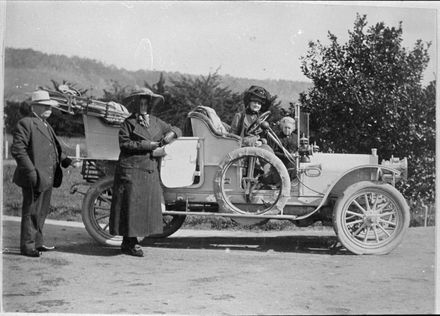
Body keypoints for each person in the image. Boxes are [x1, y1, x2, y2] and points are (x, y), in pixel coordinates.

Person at [109, 88, 182, 257]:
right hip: (131, 168)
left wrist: (169, 136)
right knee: (131, 208)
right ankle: (129, 243)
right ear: (136, 104)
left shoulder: (156, 122)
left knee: (143, 208)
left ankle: (131, 242)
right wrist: (149, 146)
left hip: (148, 169)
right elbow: (125, 144)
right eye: (140, 103)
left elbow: (177, 129)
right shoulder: (128, 123)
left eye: (146, 103)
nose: (143, 106)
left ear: (150, 104)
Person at [11, 90, 73, 258]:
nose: (50, 109)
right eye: (46, 106)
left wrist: (65, 160)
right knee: (31, 211)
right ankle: (28, 246)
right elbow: (18, 150)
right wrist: (31, 172)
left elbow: (53, 147)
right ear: (35, 107)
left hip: (47, 176)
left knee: (41, 211)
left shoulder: (45, 124)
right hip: (34, 176)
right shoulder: (26, 123)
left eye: (50, 106)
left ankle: (37, 243)